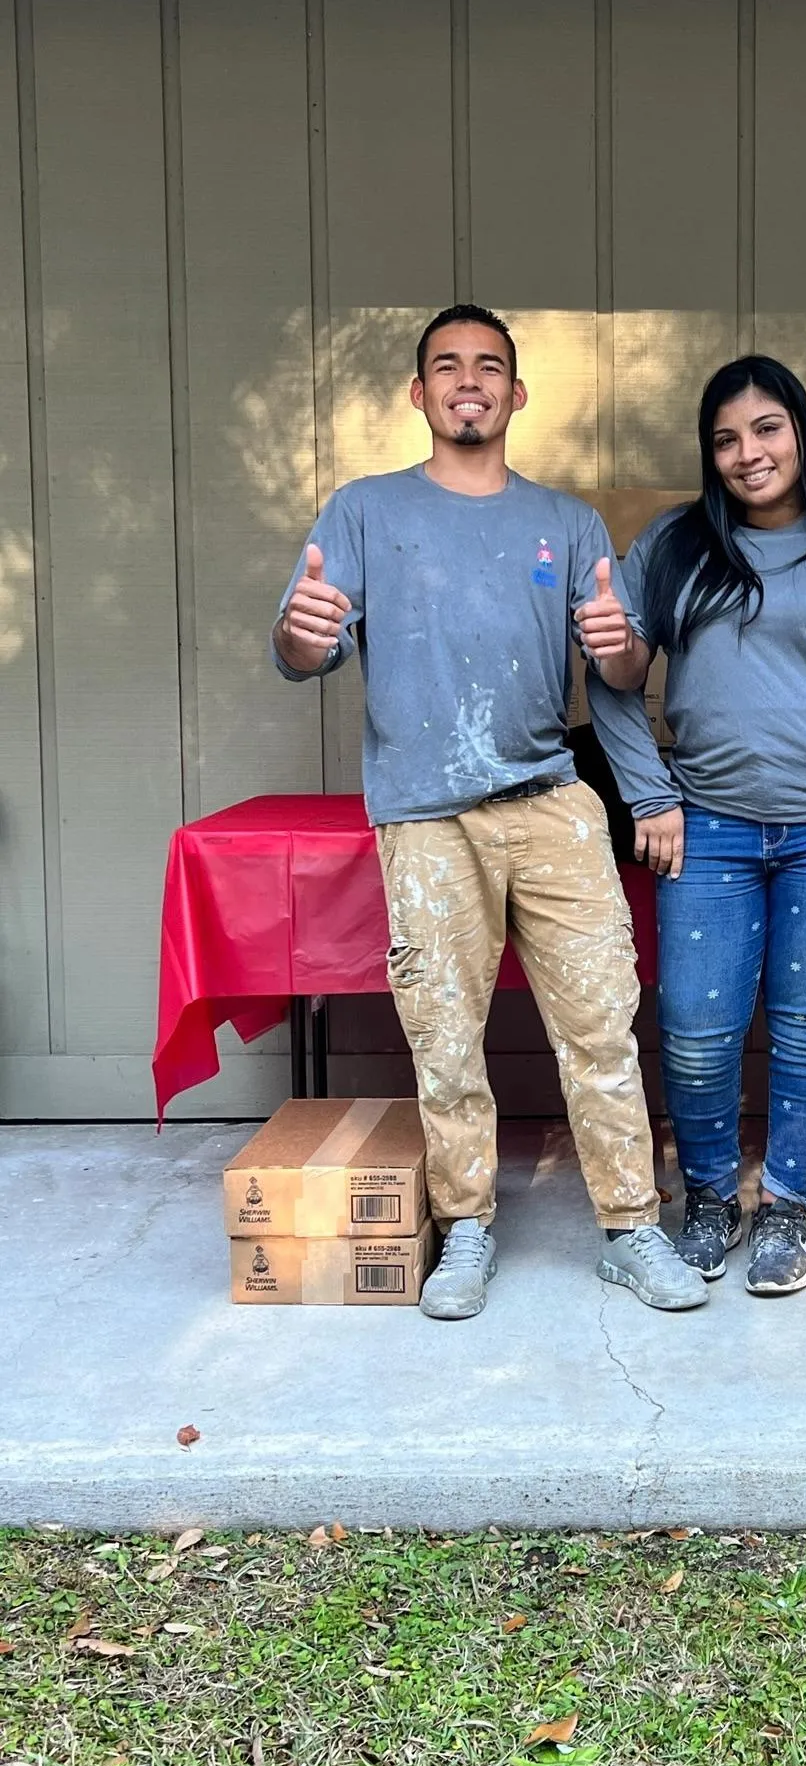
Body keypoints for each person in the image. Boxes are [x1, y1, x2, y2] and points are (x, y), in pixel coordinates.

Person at [271, 303, 705, 1321]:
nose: (469, 380)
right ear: (419, 394)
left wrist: (621, 649)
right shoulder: (363, 511)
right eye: (446, 366)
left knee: (601, 1021)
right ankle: (466, 1225)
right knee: (446, 1032)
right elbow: (304, 654)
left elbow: (620, 674)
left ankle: (630, 1225)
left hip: (552, 800)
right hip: (425, 814)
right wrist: (300, 632)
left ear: (516, 394)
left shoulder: (566, 522)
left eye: (490, 366)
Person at [590, 356, 806, 1295]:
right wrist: (649, 796)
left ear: (802, 432)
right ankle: (709, 1197)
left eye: (768, 429)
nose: (749, 453)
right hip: (712, 828)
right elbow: (611, 679)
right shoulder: (676, 546)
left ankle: (785, 1206)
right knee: (697, 1027)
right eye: (726, 438)